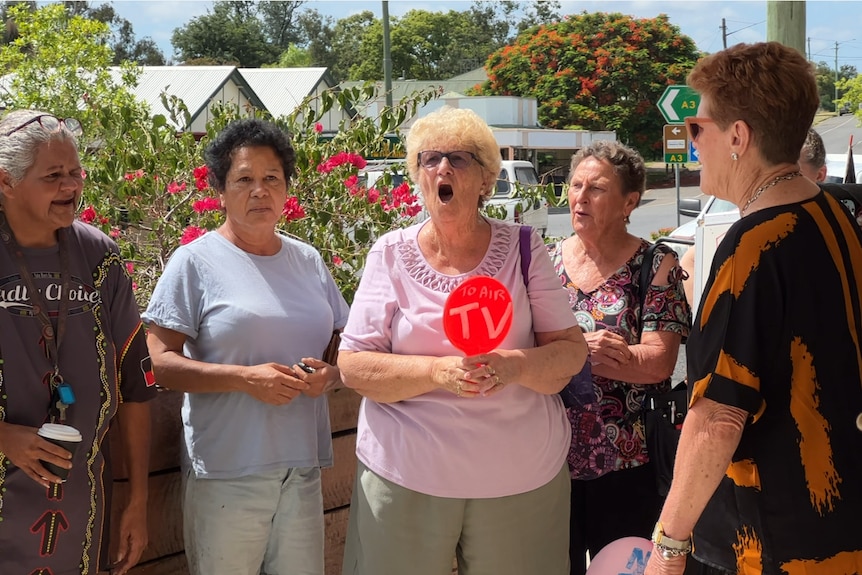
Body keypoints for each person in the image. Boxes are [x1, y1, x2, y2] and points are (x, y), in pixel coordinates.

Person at [338, 106, 589, 575]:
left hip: (520, 477)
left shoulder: (524, 247)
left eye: (459, 158)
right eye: (430, 159)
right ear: (417, 176)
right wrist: (435, 372)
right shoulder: (389, 252)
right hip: (406, 476)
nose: (443, 168)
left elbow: (570, 351)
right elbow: (354, 365)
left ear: (486, 179)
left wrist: (512, 366)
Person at [645, 42, 862, 575]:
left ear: (738, 137)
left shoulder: (752, 246)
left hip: (769, 542)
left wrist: (669, 546)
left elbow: (718, 416)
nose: (691, 143)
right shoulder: (835, 214)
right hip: (840, 522)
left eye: (698, 129)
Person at [143, 118, 349, 575]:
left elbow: (343, 340)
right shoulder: (194, 262)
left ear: (286, 188)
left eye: (271, 178)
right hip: (227, 471)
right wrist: (244, 379)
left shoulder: (308, 260)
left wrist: (331, 376)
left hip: (302, 468)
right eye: (244, 179)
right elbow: (157, 362)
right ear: (220, 189)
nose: (260, 191)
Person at [0, 109, 156, 574]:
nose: (71, 186)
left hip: (79, 503)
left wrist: (138, 502)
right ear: (6, 182)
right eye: (53, 176)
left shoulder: (99, 258)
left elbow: (136, 381)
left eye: (75, 173)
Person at [545, 141, 691, 575]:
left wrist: (584, 355)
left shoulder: (655, 262)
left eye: (597, 188)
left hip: (627, 459)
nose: (580, 197)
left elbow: (659, 363)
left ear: (630, 201)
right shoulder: (545, 259)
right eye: (575, 185)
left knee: (623, 566)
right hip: (548, 456)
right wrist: (576, 353)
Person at [680, 127, 829, 305]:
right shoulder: (740, 227)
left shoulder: (831, 228)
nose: (773, 184)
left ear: (820, 175)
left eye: (789, 175)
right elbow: (692, 259)